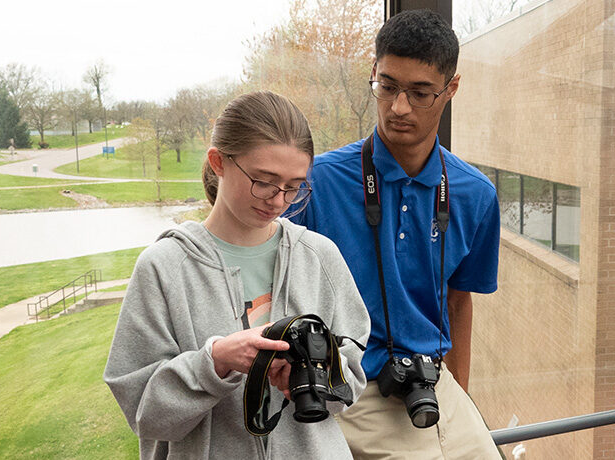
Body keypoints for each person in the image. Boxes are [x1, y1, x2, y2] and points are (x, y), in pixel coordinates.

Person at [105, 91, 369, 459]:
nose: (278, 201)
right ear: (218, 162)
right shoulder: (163, 267)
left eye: (293, 187)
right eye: (263, 180)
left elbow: (352, 380)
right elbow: (145, 416)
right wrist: (214, 362)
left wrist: (309, 380)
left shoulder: (321, 257)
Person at [289, 9, 502, 460]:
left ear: (452, 89)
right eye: (387, 87)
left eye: (421, 92)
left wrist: (457, 397)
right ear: (373, 74)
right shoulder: (318, 183)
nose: (399, 107)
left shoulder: (475, 195)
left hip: (429, 383)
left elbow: (459, 300)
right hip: (349, 384)